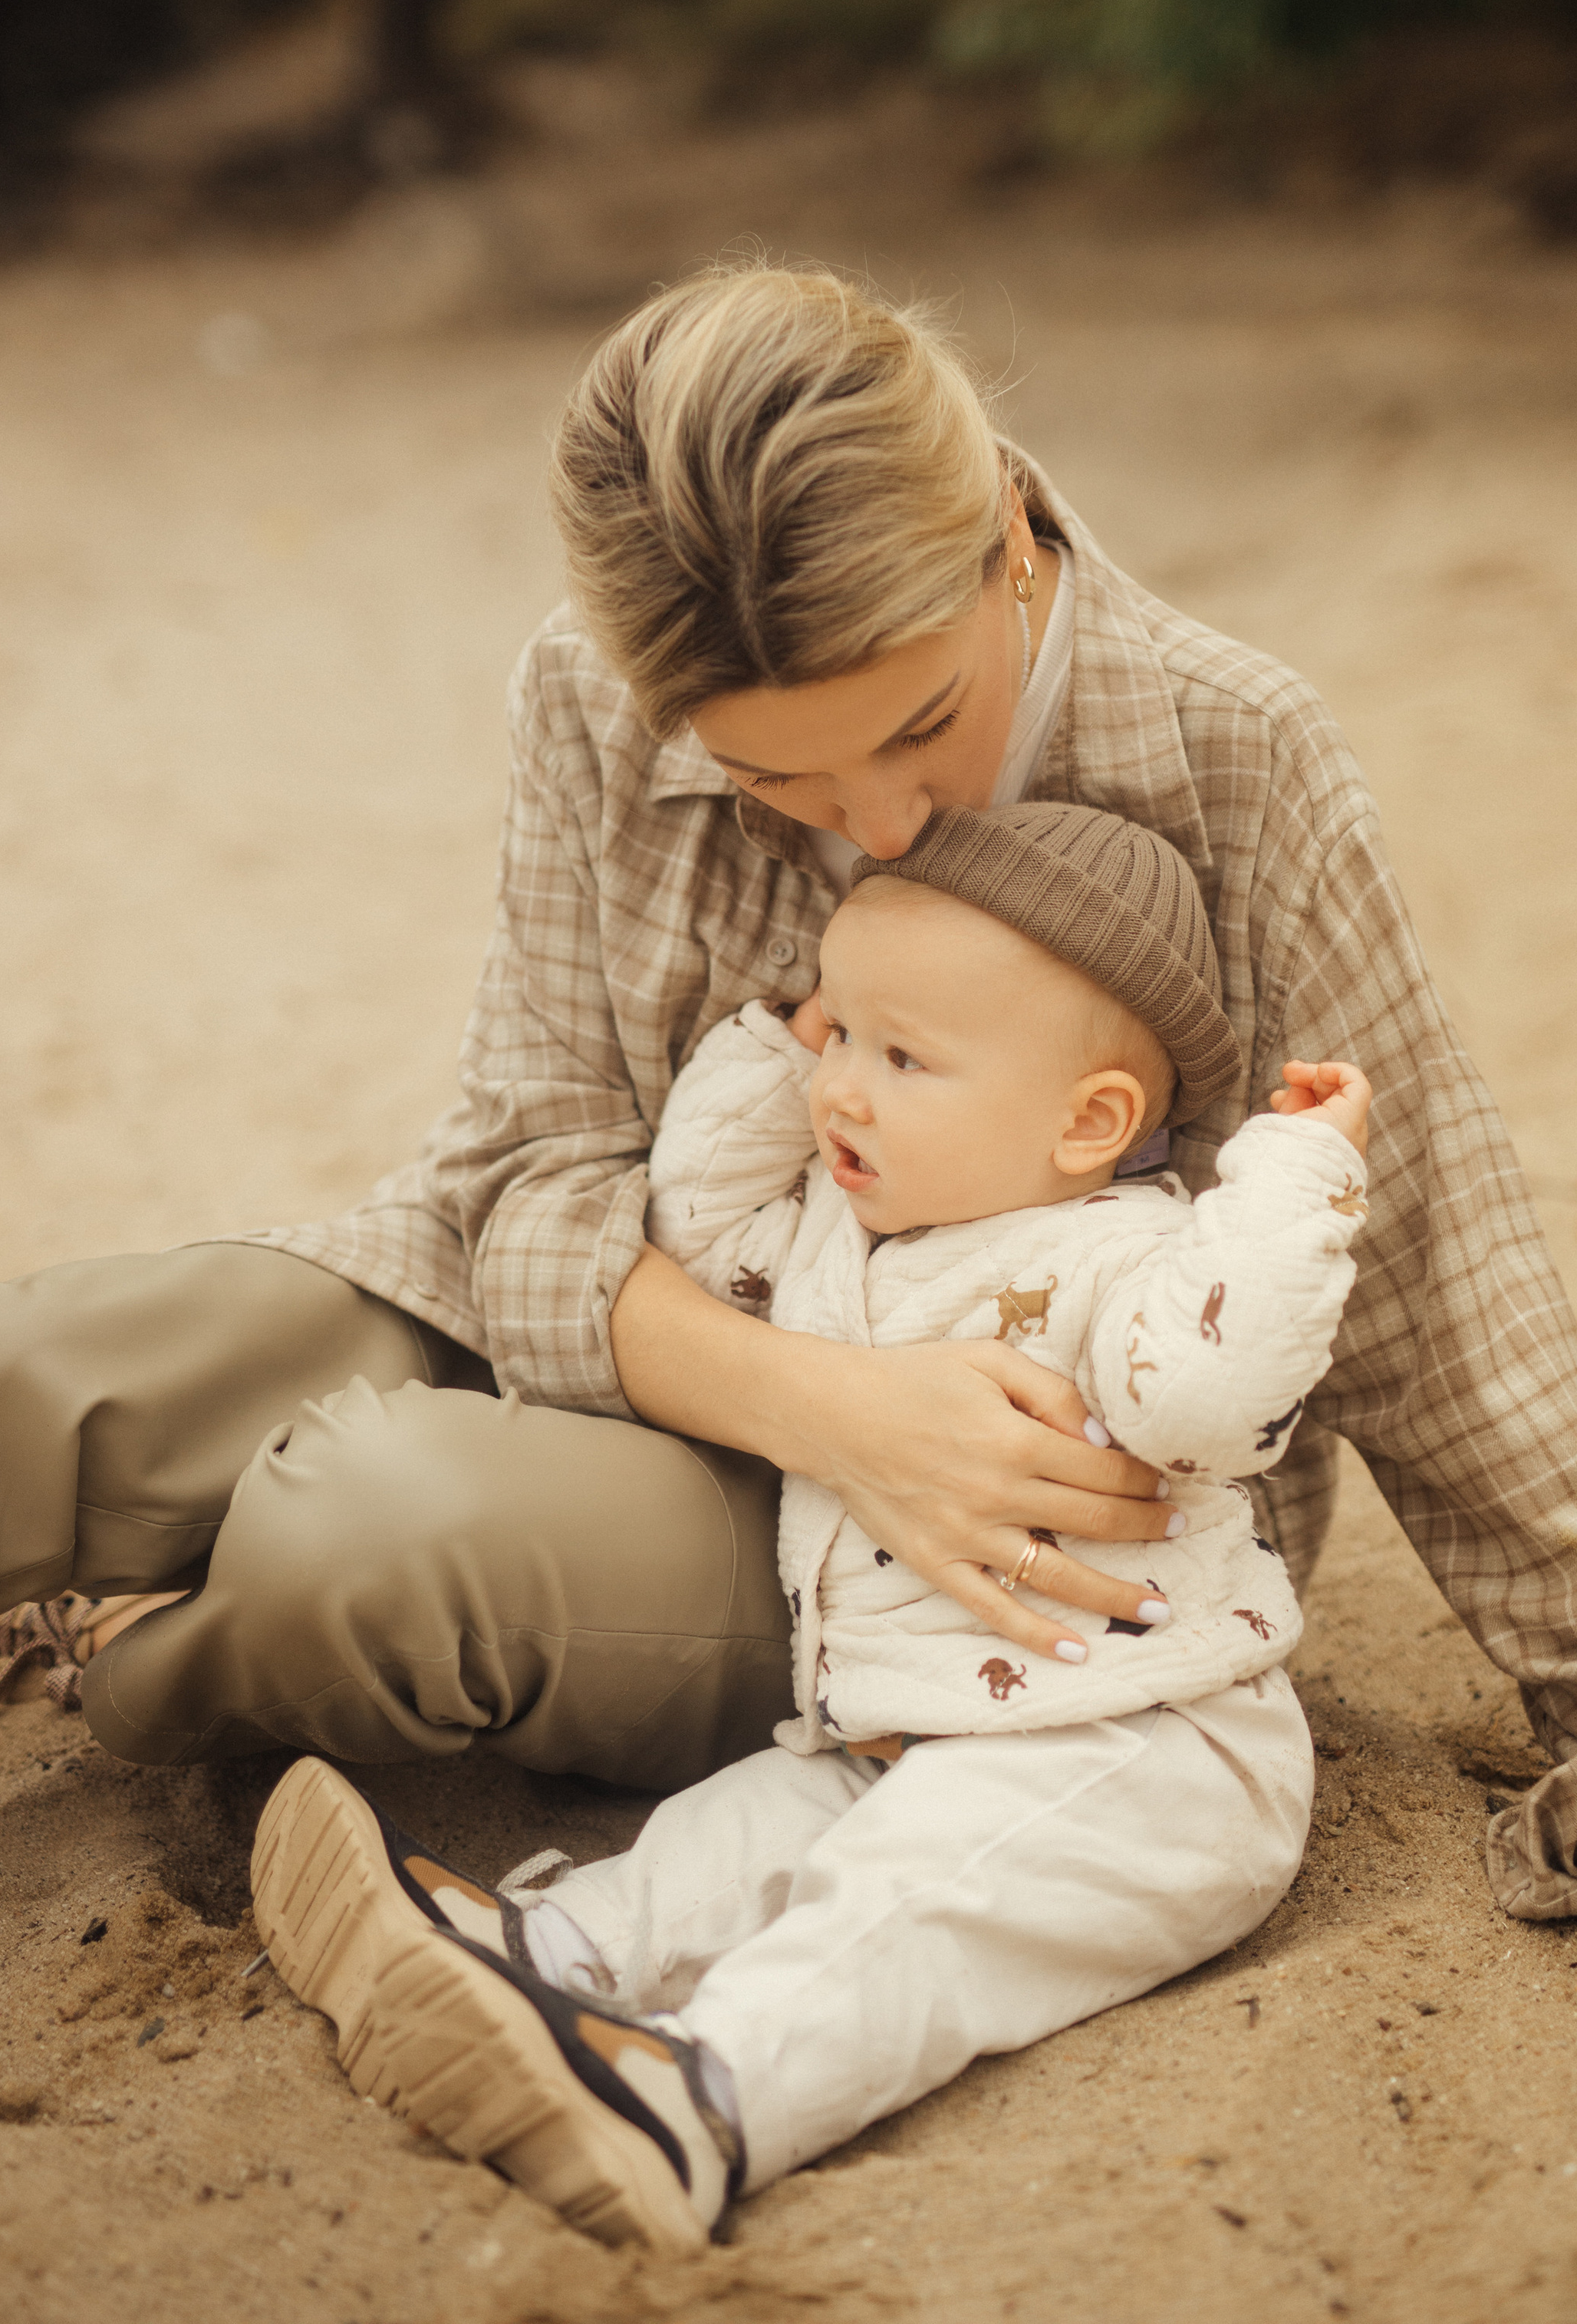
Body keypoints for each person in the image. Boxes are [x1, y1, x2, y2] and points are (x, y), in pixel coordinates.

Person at [0, 265, 1577, 1940]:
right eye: (778, 785)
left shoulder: (1236, 751)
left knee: (363, 1530)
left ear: (1007, 542)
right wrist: (828, 1401)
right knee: (19, 1378)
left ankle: (131, 1633)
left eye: (914, 732)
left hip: (950, 1528)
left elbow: (1423, 1272)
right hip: (665, 1328)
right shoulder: (587, 698)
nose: (873, 830)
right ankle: (82, 1528)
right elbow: (522, 1178)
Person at [247, 799, 1378, 2249]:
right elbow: (695, 1224)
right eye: (840, 1035)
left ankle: (704, 2101)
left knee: (905, 1910)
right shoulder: (842, 1240)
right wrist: (776, 1047)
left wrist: (1292, 1180)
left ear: (1088, 1121)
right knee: (733, 1838)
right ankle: (549, 1952)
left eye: (903, 1058)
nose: (843, 1089)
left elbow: (1219, 1395)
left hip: (1149, 1749)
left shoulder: (1129, 1257)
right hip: (909, 1730)